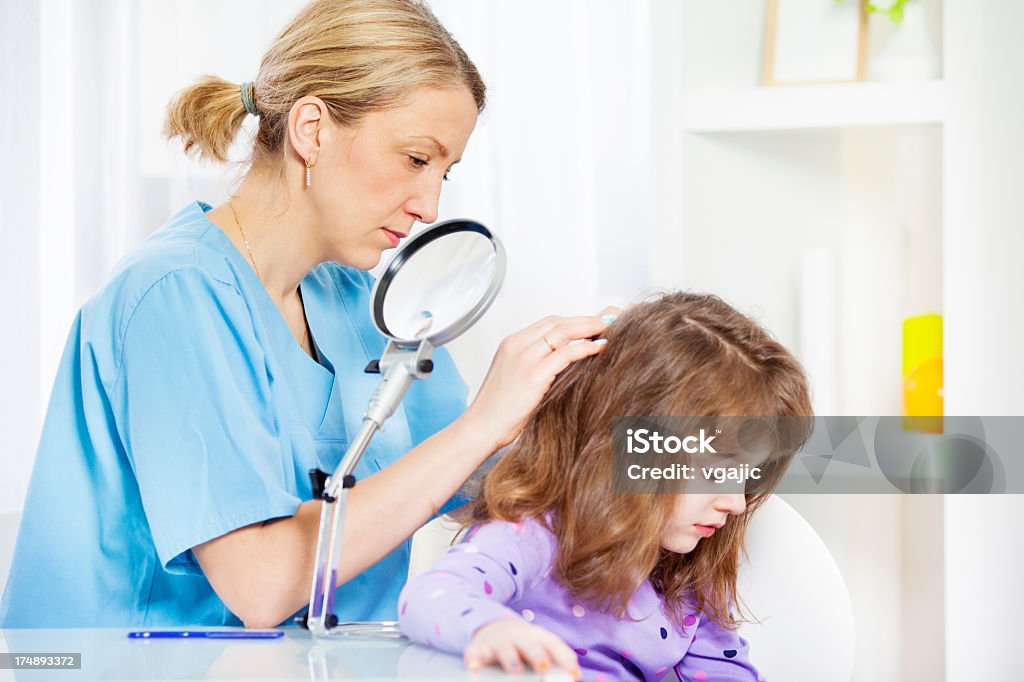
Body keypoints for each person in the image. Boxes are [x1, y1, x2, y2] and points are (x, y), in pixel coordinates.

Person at [0, 0, 613, 628]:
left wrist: (662, 407)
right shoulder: (170, 294)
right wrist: (481, 423)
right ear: (312, 129)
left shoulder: (349, 298)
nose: (430, 205)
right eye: (415, 159)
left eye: (444, 172)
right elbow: (260, 582)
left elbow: (491, 478)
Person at [398, 292, 814, 681]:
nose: (738, 503)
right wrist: (489, 630)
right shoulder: (535, 535)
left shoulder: (687, 574)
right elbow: (429, 597)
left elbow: (726, 673)